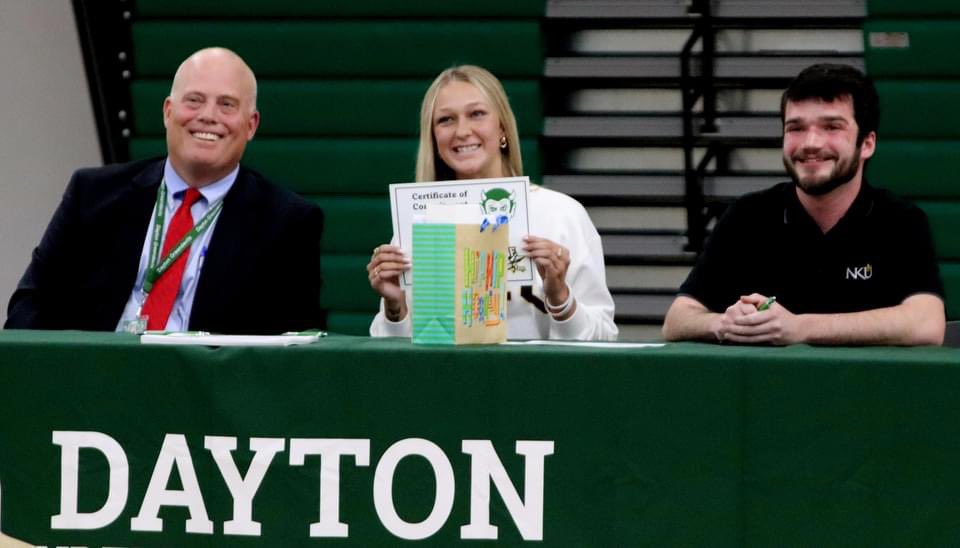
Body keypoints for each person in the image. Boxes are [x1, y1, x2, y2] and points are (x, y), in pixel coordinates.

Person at [5, 47, 323, 334]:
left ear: (251, 125)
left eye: (226, 105)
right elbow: (28, 305)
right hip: (93, 381)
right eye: (194, 100)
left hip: (204, 391)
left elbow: (294, 347)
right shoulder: (92, 194)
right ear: (168, 111)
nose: (208, 116)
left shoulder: (287, 222)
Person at [662, 63, 944, 346]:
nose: (810, 142)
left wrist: (800, 327)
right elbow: (677, 320)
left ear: (867, 144)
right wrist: (723, 323)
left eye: (832, 127)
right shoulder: (748, 216)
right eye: (795, 128)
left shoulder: (899, 220)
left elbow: (926, 323)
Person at [368, 65, 617, 340]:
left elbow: (603, 338)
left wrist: (560, 298)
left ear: (503, 128)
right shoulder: (420, 221)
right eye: (446, 120)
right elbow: (394, 357)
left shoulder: (562, 213)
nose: (462, 131)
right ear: (434, 138)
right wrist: (394, 307)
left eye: (477, 114)